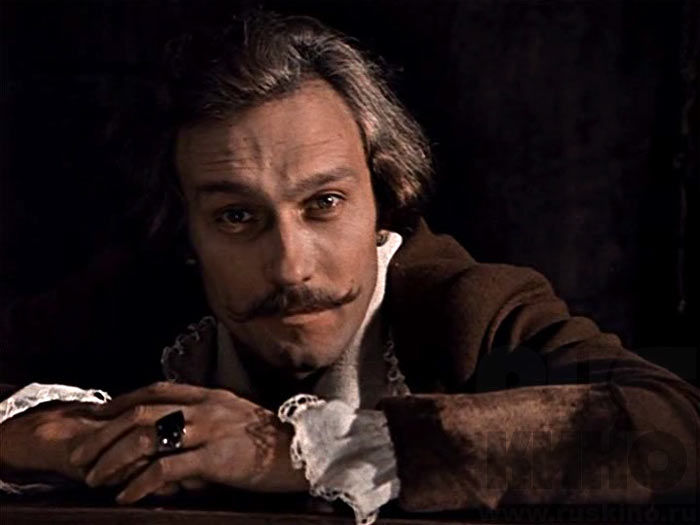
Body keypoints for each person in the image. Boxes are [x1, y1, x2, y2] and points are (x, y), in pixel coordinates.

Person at [0, 11, 697, 524]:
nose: (290, 267)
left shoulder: (471, 307)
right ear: (185, 228)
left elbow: (678, 427)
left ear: (382, 197)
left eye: (324, 203)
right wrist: (55, 434)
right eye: (237, 216)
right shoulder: (145, 298)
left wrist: (287, 451)